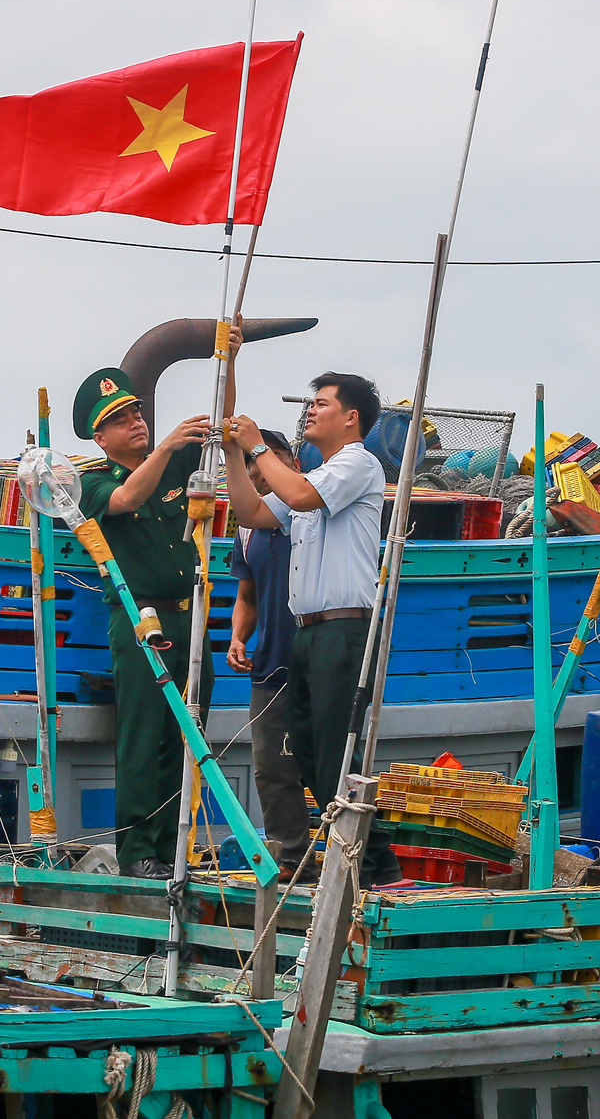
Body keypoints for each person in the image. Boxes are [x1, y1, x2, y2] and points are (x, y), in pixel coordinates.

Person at [72, 324, 240, 880]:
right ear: (100, 438)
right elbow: (124, 498)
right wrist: (165, 443)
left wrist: (228, 359)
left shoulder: (174, 463)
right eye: (121, 420)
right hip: (140, 619)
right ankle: (139, 850)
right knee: (145, 739)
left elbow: (223, 425)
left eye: (138, 413)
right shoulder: (91, 483)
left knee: (188, 735)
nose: (136, 422)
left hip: (191, 618)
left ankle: (174, 847)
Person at [224, 374, 402, 886]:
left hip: (342, 629)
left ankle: (374, 870)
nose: (310, 411)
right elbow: (252, 511)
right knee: (305, 750)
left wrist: (257, 442)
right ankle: (368, 865)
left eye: (321, 404)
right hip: (307, 633)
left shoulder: (356, 464)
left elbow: (299, 496)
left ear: (351, 418)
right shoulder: (319, 474)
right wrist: (238, 456)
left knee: (332, 753)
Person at [226, 428, 308, 860]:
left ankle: (348, 859)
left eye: (266, 457)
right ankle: (293, 858)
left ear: (292, 464)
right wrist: (238, 636)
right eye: (249, 462)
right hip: (269, 661)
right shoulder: (247, 530)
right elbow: (246, 595)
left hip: (317, 656)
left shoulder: (312, 510)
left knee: (330, 764)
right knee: (272, 767)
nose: (258, 469)